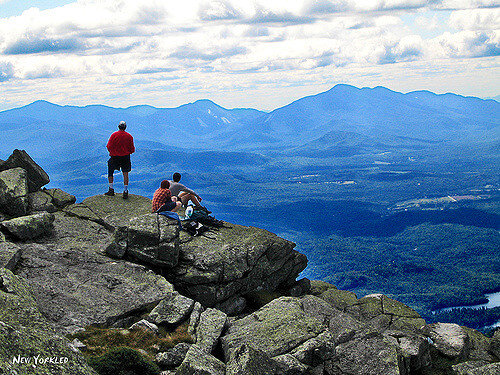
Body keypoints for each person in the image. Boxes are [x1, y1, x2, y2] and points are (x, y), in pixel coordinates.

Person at [104, 121, 135, 199]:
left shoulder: (114, 135)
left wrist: (112, 152)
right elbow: (132, 149)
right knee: (125, 173)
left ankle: (111, 189)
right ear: (125, 127)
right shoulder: (129, 136)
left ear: (118, 127)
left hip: (115, 156)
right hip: (125, 157)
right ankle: (125, 191)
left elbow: (109, 146)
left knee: (110, 171)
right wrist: (128, 152)